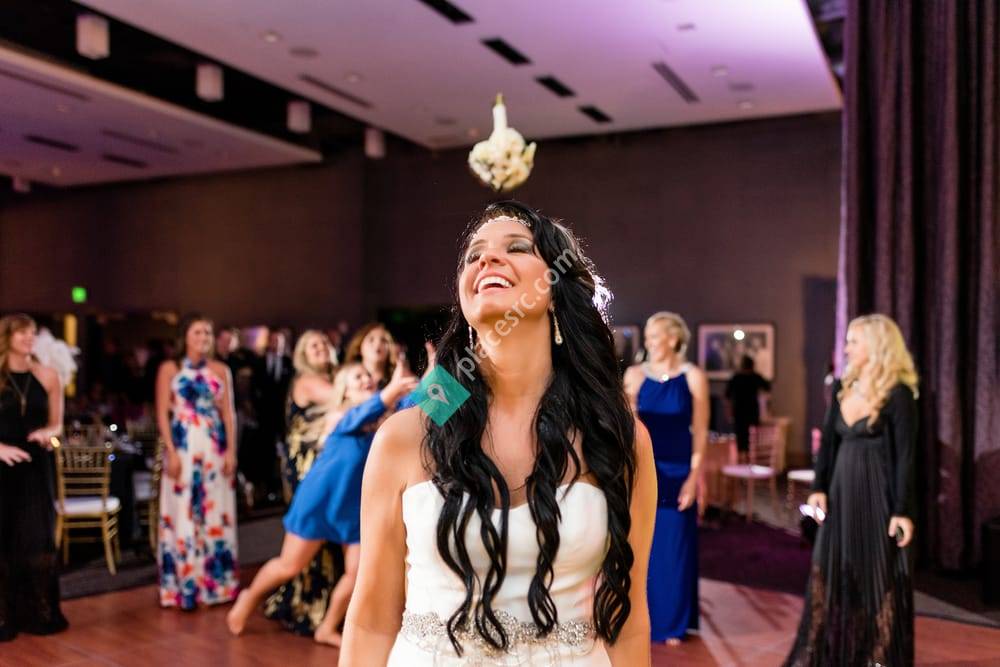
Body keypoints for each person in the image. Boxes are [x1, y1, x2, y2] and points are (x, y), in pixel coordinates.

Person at [340, 200, 657, 665]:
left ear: (555, 290)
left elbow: (628, 623)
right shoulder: (408, 433)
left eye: (517, 247)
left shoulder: (615, 436)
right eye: (474, 254)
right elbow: (370, 620)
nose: (487, 258)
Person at [227, 361, 418, 645]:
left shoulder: (384, 418)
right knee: (289, 566)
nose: (366, 379)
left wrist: (443, 372)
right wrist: (390, 391)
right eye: (357, 376)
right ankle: (249, 597)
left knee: (357, 574)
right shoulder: (341, 416)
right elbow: (364, 412)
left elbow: (422, 407)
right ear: (344, 391)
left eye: (368, 375)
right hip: (319, 501)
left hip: (352, 509)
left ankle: (326, 628)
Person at [784, 314, 919, 666]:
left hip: (878, 497)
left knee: (879, 579)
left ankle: (878, 658)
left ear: (876, 345)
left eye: (853, 341)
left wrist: (902, 510)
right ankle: (819, 654)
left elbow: (906, 457)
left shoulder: (898, 394)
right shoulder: (843, 388)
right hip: (841, 494)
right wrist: (818, 487)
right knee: (827, 574)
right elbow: (828, 444)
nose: (846, 349)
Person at [623, 311, 708, 645]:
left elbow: (699, 431)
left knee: (675, 548)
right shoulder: (634, 376)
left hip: (678, 471)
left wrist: (693, 477)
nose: (649, 343)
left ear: (673, 339)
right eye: (647, 337)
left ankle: (673, 623)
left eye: (655, 336)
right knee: (643, 544)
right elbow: (626, 428)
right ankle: (640, 618)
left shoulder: (693, 377)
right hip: (644, 470)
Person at [155, 314, 239, 610]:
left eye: (207, 332)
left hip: (213, 446)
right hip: (184, 445)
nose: (203, 337)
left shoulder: (221, 370)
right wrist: (171, 451)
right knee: (183, 510)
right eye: (197, 332)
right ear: (185, 337)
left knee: (215, 511)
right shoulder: (170, 369)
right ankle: (184, 585)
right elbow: (162, 413)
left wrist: (231, 451)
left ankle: (215, 584)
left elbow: (228, 413)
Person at [263, 330, 342, 635]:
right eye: (313, 346)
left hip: (331, 468)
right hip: (308, 469)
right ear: (302, 355)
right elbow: (346, 399)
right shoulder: (307, 381)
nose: (320, 348)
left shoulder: (340, 377)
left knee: (329, 538)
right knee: (309, 538)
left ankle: (327, 606)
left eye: (323, 343)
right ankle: (308, 602)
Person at [0, 314, 69, 641]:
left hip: (35, 468)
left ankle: (39, 612)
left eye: (31, 333)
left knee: (37, 539)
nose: (29, 338)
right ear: (7, 337)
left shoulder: (49, 375)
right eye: (22, 333)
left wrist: (48, 434)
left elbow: (58, 424)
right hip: (1, 466)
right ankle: (4, 616)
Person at [724, 355, 771, 456]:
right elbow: (767, 387)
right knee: (752, 436)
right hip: (752, 411)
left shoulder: (736, 378)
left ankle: (742, 456)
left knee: (740, 435)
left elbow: (727, 396)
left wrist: (728, 411)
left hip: (739, 411)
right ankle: (750, 456)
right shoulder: (755, 377)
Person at [343, 323, 396, 388]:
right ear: (359, 347)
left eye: (383, 340)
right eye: (371, 340)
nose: (378, 344)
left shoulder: (399, 380)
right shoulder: (346, 379)